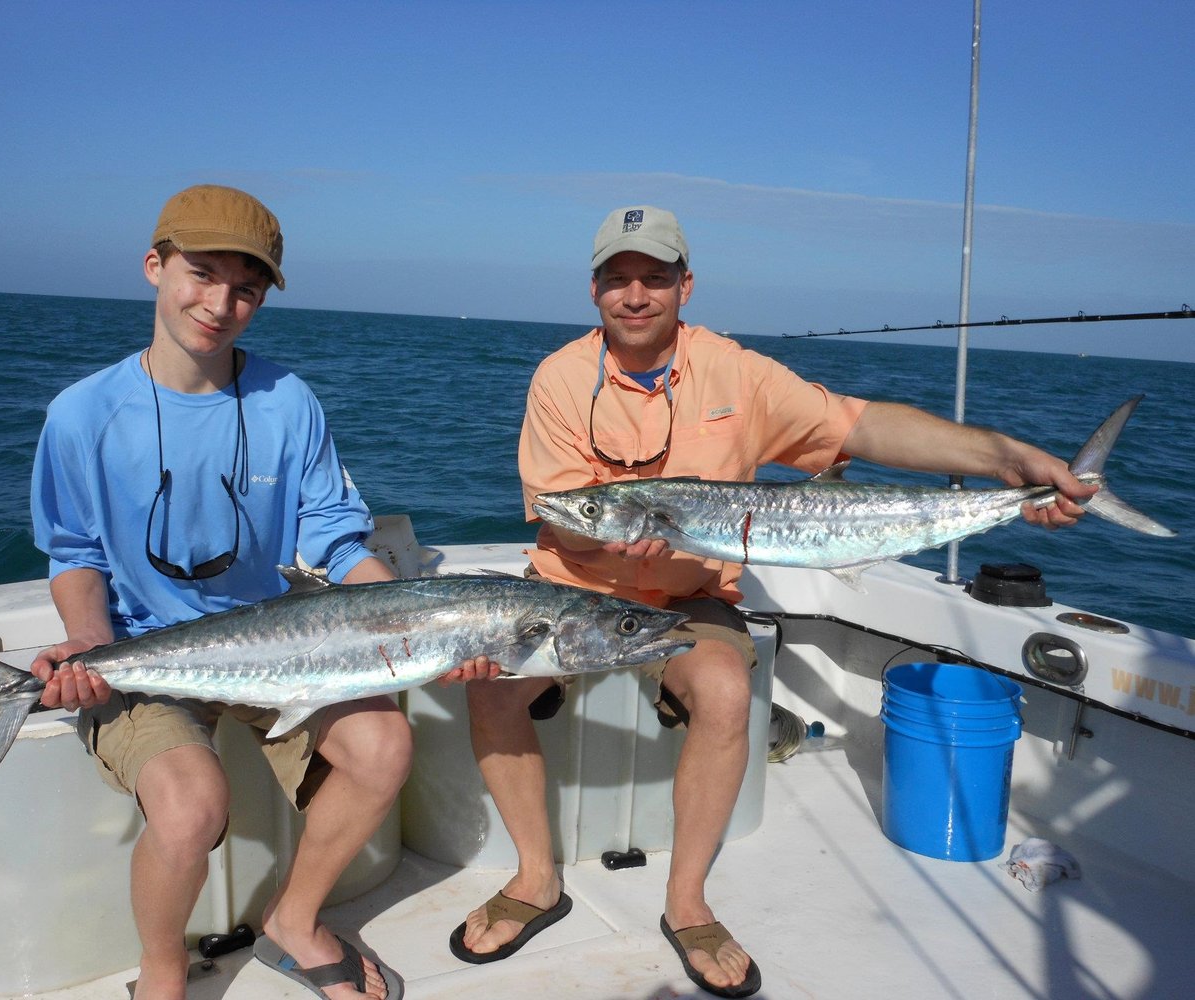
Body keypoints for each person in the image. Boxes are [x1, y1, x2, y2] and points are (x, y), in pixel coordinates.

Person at [450, 205, 1096, 997]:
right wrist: (611, 538)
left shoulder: (737, 373)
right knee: (489, 685)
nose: (636, 295)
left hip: (690, 593)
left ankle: (685, 904)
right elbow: (562, 519)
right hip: (571, 584)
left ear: (685, 286)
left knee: (725, 691)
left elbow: (861, 426)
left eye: (654, 278)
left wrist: (1007, 458)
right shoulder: (559, 378)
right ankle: (536, 878)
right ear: (593, 291)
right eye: (618, 280)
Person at [30, 184, 492, 1000]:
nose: (219, 303)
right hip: (149, 647)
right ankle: (161, 972)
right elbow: (74, 552)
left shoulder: (287, 401)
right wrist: (85, 644)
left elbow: (335, 539)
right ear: (154, 266)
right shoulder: (82, 415)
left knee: (384, 747)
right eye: (200, 274)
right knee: (188, 807)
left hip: (287, 644)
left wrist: (417, 626)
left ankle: (295, 918)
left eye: (244, 287)